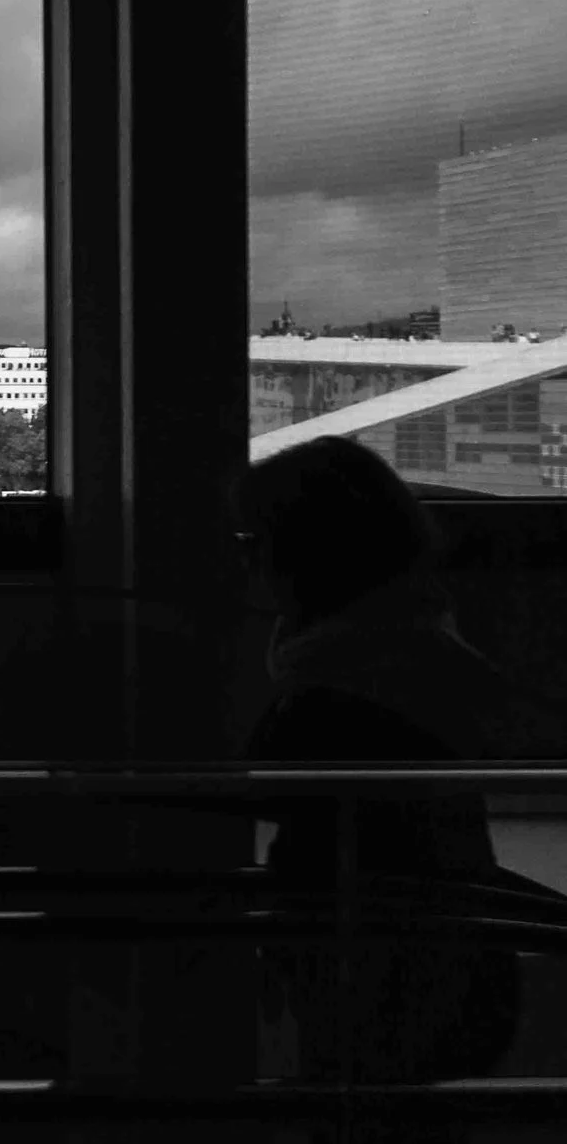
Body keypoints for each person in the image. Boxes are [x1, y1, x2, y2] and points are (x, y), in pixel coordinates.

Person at [233, 437, 523, 1116]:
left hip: (379, 970)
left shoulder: (338, 684)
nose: (240, 558)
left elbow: (275, 782)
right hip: (436, 963)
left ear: (301, 551)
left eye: (252, 538)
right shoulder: (416, 649)